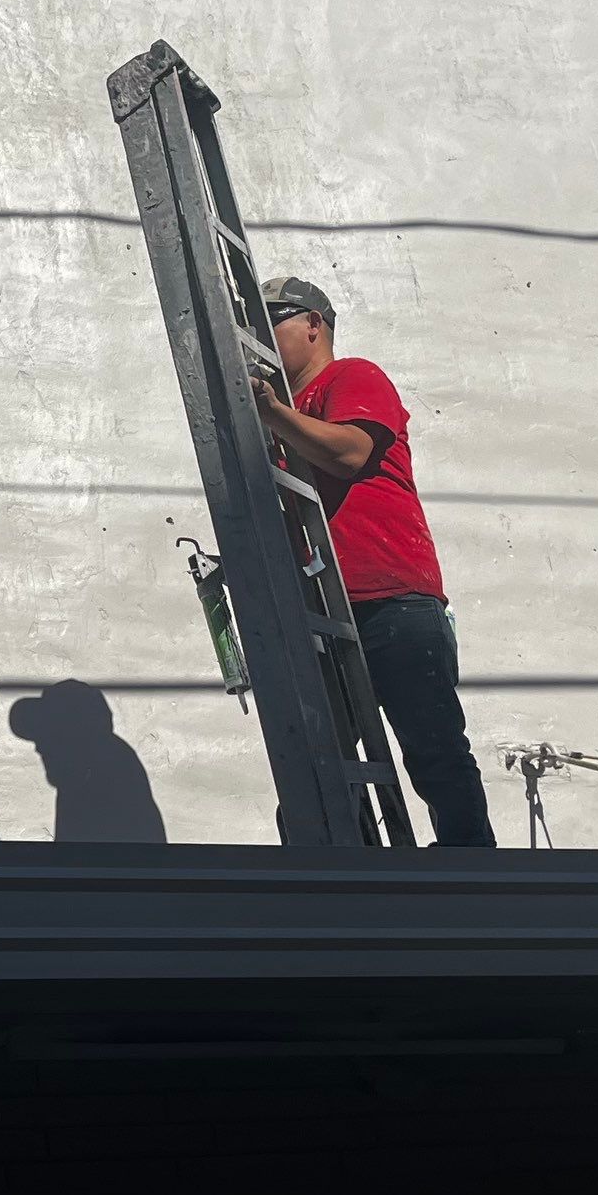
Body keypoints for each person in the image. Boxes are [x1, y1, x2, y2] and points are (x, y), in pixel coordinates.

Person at [248, 275, 496, 847]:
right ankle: (340, 873)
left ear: (314, 324)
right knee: (318, 765)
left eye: (272, 320)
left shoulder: (352, 376)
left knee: (433, 748)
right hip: (323, 607)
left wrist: (273, 414)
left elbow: (351, 453)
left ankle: (470, 873)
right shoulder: (284, 411)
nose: (260, 334)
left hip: (392, 599)